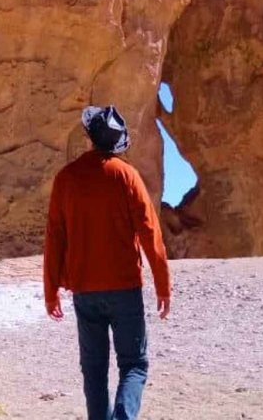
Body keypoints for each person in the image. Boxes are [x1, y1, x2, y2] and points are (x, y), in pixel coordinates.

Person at [43, 105, 172, 420]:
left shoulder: (66, 178)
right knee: (134, 365)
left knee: (94, 372)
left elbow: (55, 237)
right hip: (125, 288)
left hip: (85, 291)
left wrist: (51, 291)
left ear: (89, 136)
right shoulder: (126, 175)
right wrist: (162, 284)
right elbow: (149, 232)